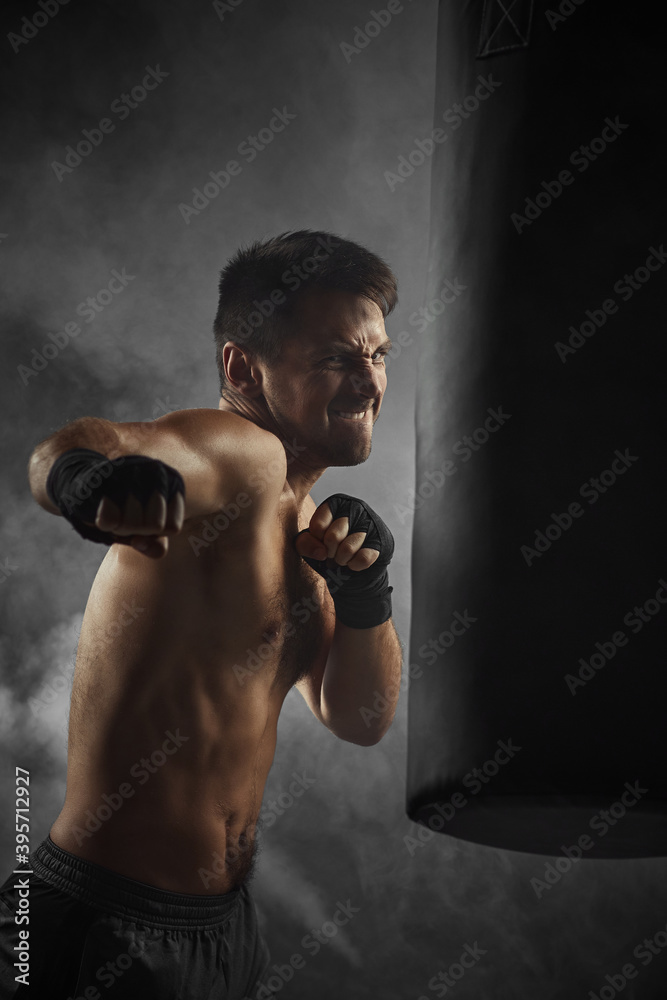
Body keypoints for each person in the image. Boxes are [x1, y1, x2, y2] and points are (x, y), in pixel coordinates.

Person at [0, 230, 403, 999]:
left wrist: (365, 594)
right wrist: (88, 478)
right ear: (242, 368)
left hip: (223, 932)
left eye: (377, 355)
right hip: (97, 920)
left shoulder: (310, 525)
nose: (367, 382)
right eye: (334, 358)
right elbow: (78, 448)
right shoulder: (235, 454)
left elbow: (360, 717)